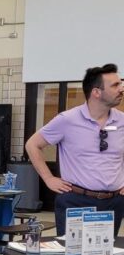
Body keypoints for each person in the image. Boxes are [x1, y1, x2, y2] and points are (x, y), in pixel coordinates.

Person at [25, 63, 124, 235]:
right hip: (77, 201)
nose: (121, 88)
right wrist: (48, 178)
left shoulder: (122, 121)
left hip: (114, 202)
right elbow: (32, 144)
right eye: (115, 85)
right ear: (96, 92)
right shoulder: (67, 120)